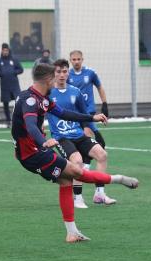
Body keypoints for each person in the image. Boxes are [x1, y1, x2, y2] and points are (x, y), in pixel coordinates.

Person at [11, 63, 139, 243]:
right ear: (48, 80)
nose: (56, 82)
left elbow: (64, 113)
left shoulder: (41, 98)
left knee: (66, 180)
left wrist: (90, 118)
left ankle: (72, 233)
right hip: (34, 154)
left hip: (32, 152)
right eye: (54, 79)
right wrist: (43, 141)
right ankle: (118, 179)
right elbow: (30, 125)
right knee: (77, 172)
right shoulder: (31, 100)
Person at [48, 59, 116, 208]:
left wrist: (91, 129)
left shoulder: (75, 91)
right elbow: (40, 114)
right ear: (53, 73)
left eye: (64, 71)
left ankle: (99, 193)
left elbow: (84, 114)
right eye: (58, 71)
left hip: (78, 134)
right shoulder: (48, 94)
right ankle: (77, 198)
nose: (61, 75)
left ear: (68, 73)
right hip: (61, 137)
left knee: (102, 154)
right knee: (77, 162)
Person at [68, 50, 110, 207]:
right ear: (70, 60)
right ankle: (87, 190)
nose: (76, 61)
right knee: (96, 147)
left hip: (90, 114)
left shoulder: (90, 73)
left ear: (82, 59)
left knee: (101, 146)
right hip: (78, 116)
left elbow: (100, 87)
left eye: (79, 59)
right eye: (74, 59)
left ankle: (96, 190)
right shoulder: (68, 76)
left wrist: (105, 104)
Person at [0, 43, 24, 126]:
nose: (5, 52)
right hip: (4, 86)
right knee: (5, 103)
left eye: (6, 50)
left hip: (14, 85)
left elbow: (21, 69)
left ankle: (18, 119)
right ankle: (8, 120)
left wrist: (14, 72)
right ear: (2, 51)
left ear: (9, 51)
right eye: (4, 50)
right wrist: (2, 73)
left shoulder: (14, 60)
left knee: (18, 102)